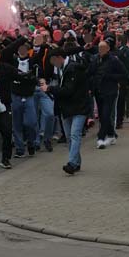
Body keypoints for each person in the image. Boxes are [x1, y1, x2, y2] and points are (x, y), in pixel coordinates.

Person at [51, 47, 89, 175]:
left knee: (74, 135)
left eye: (53, 61)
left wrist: (50, 89)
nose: (53, 64)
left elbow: (68, 90)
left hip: (78, 107)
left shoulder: (73, 69)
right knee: (70, 137)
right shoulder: (63, 68)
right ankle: (76, 162)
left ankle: (72, 163)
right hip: (67, 107)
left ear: (59, 58)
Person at [89, 41, 128, 148]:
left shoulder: (114, 60)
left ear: (108, 49)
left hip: (110, 91)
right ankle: (111, 134)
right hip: (98, 91)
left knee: (106, 114)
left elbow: (124, 74)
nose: (101, 51)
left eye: (103, 48)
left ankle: (101, 138)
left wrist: (110, 77)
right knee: (102, 115)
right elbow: (91, 73)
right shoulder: (95, 59)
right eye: (99, 48)